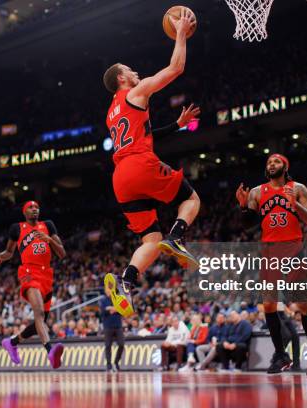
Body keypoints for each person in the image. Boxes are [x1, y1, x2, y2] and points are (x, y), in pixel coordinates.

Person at [102, 9, 201, 318]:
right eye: (130, 70)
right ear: (122, 78)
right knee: (191, 198)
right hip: (139, 165)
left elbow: (143, 133)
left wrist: (176, 125)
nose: (136, 72)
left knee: (150, 240)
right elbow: (176, 68)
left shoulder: (111, 112)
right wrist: (181, 32)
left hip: (120, 178)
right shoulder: (136, 91)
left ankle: (126, 281)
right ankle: (178, 236)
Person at [236, 154, 307, 376]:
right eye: (268, 163)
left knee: (303, 305)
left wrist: (296, 206)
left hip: (294, 248)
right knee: (269, 305)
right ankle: (281, 355)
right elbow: (247, 226)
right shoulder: (257, 192)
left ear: (285, 166)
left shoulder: (298, 188)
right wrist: (244, 207)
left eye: (276, 161)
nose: (271, 164)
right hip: (269, 251)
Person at [0, 200, 66, 369]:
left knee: (42, 321)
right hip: (28, 273)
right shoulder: (17, 228)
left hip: (46, 274)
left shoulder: (48, 225)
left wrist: (49, 240)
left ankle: (11, 342)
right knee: (39, 313)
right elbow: (9, 252)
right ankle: (50, 350)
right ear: (24, 212)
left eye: (37, 207)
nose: (34, 209)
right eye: (30, 208)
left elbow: (62, 253)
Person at [100, 285, 124, 372]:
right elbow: (102, 312)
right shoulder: (103, 300)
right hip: (108, 326)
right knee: (108, 346)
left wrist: (112, 309)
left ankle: (116, 362)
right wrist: (112, 309)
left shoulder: (117, 299)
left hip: (118, 325)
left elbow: (122, 309)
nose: (109, 291)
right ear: (105, 291)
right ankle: (109, 365)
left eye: (110, 289)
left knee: (121, 344)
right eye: (107, 289)